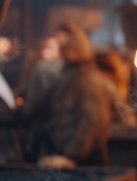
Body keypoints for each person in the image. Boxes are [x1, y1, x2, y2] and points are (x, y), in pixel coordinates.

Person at [25, 22, 113, 167]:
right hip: (65, 153)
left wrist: (71, 156)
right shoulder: (67, 78)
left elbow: (92, 125)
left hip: (83, 160)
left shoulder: (88, 81)